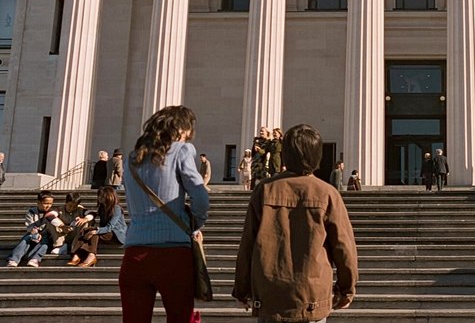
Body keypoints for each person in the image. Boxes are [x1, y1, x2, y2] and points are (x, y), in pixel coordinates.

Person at [232, 124, 358, 322]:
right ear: (317, 156)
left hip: (270, 294)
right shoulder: (327, 193)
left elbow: (247, 244)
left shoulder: (264, 190)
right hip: (312, 295)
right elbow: (343, 247)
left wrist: (241, 289)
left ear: (285, 155)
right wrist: (346, 290)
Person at [119, 105, 210, 323]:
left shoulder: (131, 159)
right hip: (173, 251)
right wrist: (193, 222)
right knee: (180, 317)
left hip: (135, 250)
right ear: (181, 128)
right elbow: (200, 196)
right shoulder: (181, 150)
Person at [67, 186, 126, 268]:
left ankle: (91, 256)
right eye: (99, 195)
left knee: (94, 234)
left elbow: (110, 227)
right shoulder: (102, 208)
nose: (99, 198)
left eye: (102, 196)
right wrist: (85, 219)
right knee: (86, 230)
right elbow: (96, 218)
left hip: (117, 235)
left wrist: (95, 231)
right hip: (106, 232)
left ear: (109, 196)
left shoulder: (116, 208)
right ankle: (76, 255)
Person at [6, 190, 54, 267]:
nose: (48, 206)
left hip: (46, 236)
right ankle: (14, 259)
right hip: (33, 234)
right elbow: (30, 225)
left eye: (50, 204)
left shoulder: (52, 213)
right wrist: (35, 232)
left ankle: (35, 259)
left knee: (45, 244)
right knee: (27, 238)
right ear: (38, 202)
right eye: (45, 203)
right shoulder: (32, 212)